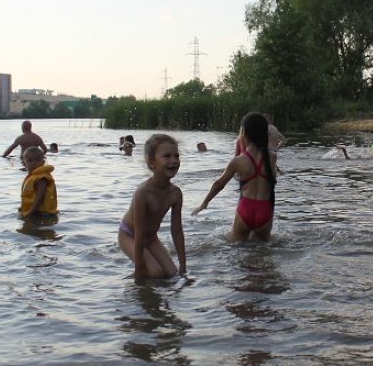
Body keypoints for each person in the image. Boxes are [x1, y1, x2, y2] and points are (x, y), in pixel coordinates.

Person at [192, 112, 276, 241]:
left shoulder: (238, 161)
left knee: (233, 246)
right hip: (265, 210)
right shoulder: (272, 157)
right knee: (263, 252)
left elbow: (219, 184)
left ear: (243, 133)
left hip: (245, 209)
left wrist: (204, 203)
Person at [118, 134, 187, 278]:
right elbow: (139, 232)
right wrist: (139, 267)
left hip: (150, 237)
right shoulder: (142, 193)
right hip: (129, 235)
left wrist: (183, 265)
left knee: (173, 274)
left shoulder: (175, 193)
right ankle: (135, 289)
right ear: (151, 163)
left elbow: (177, 231)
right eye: (167, 156)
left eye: (176, 156)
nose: (173, 161)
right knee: (155, 272)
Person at [19, 146, 58, 218]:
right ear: (24, 163)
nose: (34, 163)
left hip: (42, 213)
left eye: (37, 160)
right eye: (30, 160)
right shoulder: (32, 177)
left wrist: (32, 211)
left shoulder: (41, 178)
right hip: (37, 212)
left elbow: (40, 196)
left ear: (43, 162)